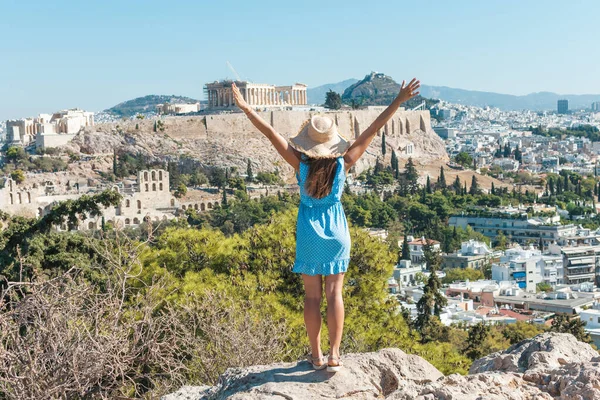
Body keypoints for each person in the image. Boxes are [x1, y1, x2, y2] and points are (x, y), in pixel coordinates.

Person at [232, 78, 420, 372]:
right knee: (335, 294)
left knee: (312, 296)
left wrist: (246, 107)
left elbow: (269, 132)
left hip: (309, 231)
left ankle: (316, 356)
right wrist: (398, 100)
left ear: (308, 141)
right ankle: (334, 355)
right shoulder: (344, 163)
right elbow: (373, 129)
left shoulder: (300, 165)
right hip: (336, 231)